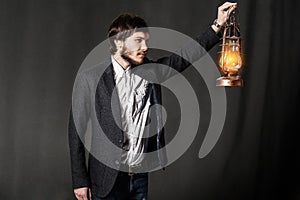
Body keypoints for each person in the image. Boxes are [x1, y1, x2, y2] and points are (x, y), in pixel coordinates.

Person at [68, 2, 237, 200]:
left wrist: (218, 25)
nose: (145, 47)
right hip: (106, 179)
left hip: (139, 176)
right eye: (138, 41)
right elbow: (76, 132)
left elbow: (184, 57)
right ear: (118, 43)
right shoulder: (90, 78)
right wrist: (80, 180)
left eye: (146, 41)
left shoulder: (150, 71)